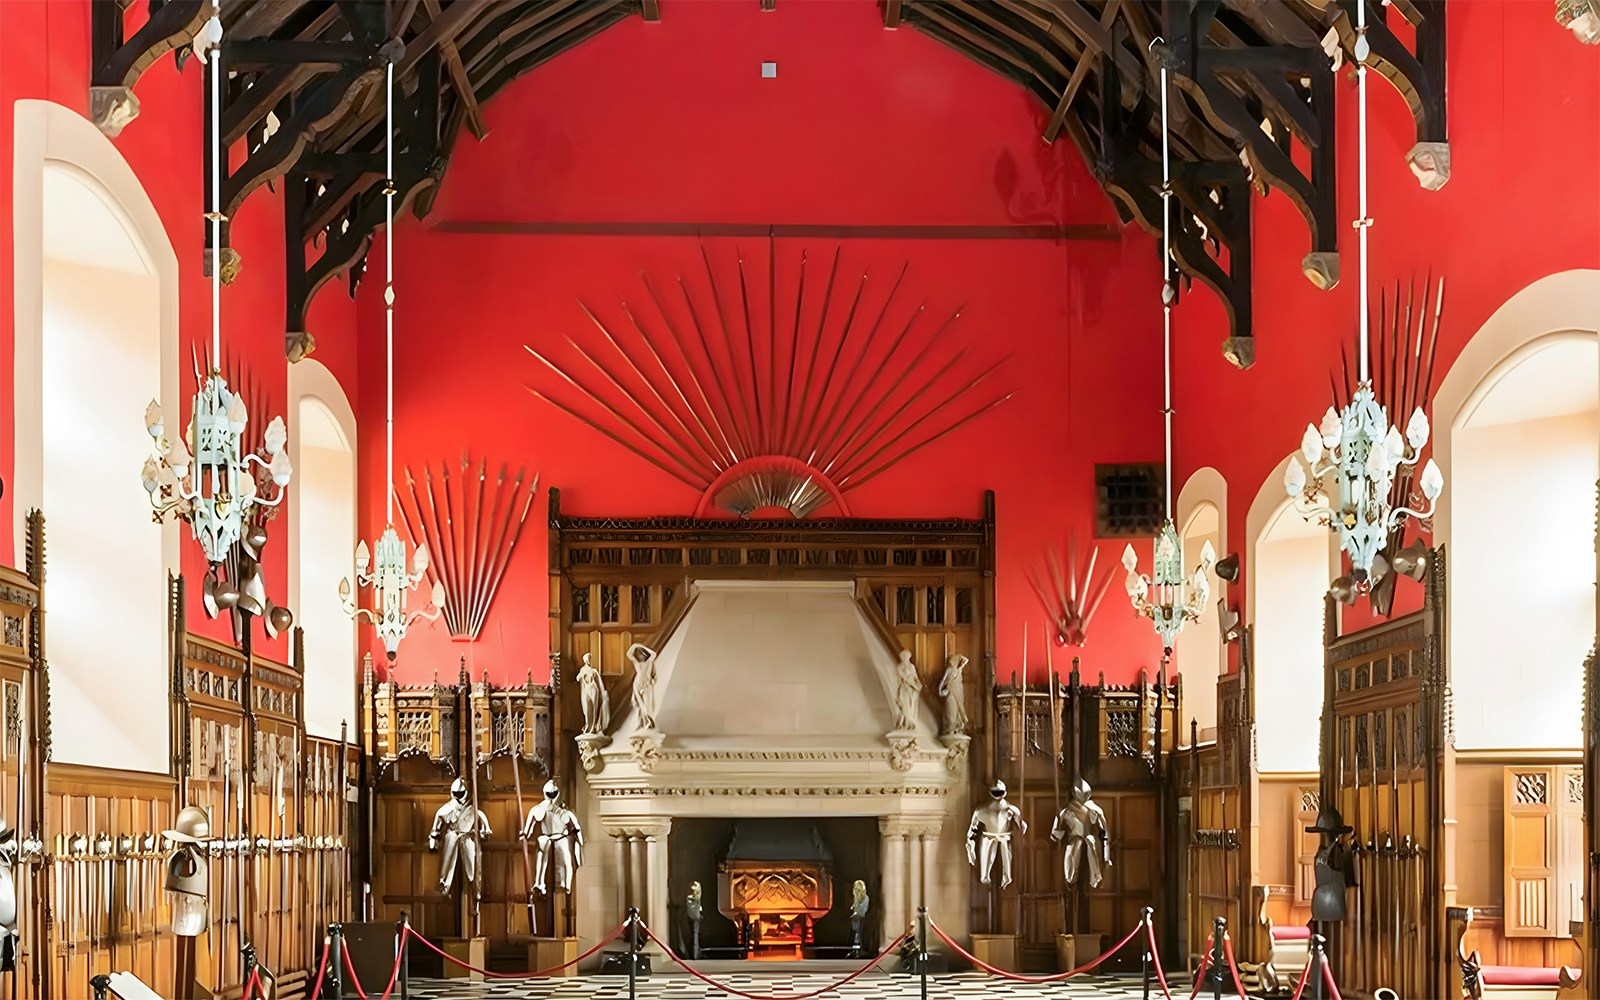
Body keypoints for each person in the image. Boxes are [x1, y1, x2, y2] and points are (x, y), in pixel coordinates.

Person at [429, 778, 490, 895]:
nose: (457, 796)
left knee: (471, 865)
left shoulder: (473, 809)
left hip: (467, 836)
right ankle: (444, 882)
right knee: (447, 861)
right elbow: (435, 827)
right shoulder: (446, 809)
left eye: (460, 793)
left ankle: (474, 886)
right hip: (451, 835)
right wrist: (433, 842)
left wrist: (484, 831)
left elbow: (484, 824)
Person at [522, 780, 584, 894]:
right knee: (541, 852)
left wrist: (580, 842)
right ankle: (539, 883)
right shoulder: (539, 809)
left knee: (567, 860)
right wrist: (525, 833)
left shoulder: (566, 812)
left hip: (561, 837)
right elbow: (529, 825)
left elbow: (576, 827)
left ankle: (567, 884)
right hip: (546, 837)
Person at [1050, 778, 1112, 888]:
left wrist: (1107, 857)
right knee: (1076, 846)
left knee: (1090, 843)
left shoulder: (1096, 810)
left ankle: (1093, 879)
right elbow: (1055, 833)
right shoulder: (1066, 811)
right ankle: (1071, 879)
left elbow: (1105, 834)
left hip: (1091, 841)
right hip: (1074, 841)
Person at [967, 780, 1026, 888]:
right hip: (988, 837)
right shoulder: (981, 810)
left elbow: (1022, 826)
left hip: (1005, 837)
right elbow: (972, 831)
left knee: (1007, 873)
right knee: (984, 874)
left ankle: (1006, 879)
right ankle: (987, 879)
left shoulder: (1011, 809)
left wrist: (1020, 830)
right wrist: (970, 849)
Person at [1307, 803, 1357, 922]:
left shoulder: (1340, 850)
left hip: (1335, 902)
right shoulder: (1324, 850)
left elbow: (1350, 883)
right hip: (1321, 902)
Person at [628, 643, 658, 731]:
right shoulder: (637, 663)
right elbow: (629, 654)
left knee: (648, 705)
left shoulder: (649, 662)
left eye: (642, 654)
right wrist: (636, 645)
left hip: (646, 686)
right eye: (639, 655)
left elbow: (653, 654)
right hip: (637, 684)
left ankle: (648, 721)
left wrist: (644, 649)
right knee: (640, 705)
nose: (640, 656)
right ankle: (642, 723)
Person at [577, 653, 609, 734]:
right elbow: (577, 678)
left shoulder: (594, 671)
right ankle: (588, 725)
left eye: (589, 659)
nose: (588, 661)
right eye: (587, 659)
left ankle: (593, 727)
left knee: (594, 708)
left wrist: (603, 692)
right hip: (586, 690)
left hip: (593, 689)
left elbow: (600, 682)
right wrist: (582, 674)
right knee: (587, 709)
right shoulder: (582, 670)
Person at [938, 652, 969, 736]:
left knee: (957, 712)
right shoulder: (949, 670)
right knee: (950, 712)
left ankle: (957, 729)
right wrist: (940, 691)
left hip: (958, 693)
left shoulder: (959, 669)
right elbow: (943, 681)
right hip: (950, 693)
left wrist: (960, 656)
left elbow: (966, 660)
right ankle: (950, 729)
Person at [892, 650, 922, 732]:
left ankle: (911, 724)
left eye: (906, 656)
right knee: (905, 707)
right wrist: (911, 683)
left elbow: (915, 677)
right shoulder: (900, 667)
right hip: (904, 689)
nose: (905, 658)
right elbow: (903, 678)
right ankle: (904, 724)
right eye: (903, 656)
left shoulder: (912, 666)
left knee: (912, 706)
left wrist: (918, 685)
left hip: (912, 690)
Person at [848, 879, 870, 957]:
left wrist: (857, 913)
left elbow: (864, 910)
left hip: (860, 919)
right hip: (856, 919)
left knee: (858, 933)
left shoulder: (865, 898)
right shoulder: (856, 899)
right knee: (855, 932)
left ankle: (858, 950)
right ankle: (855, 949)